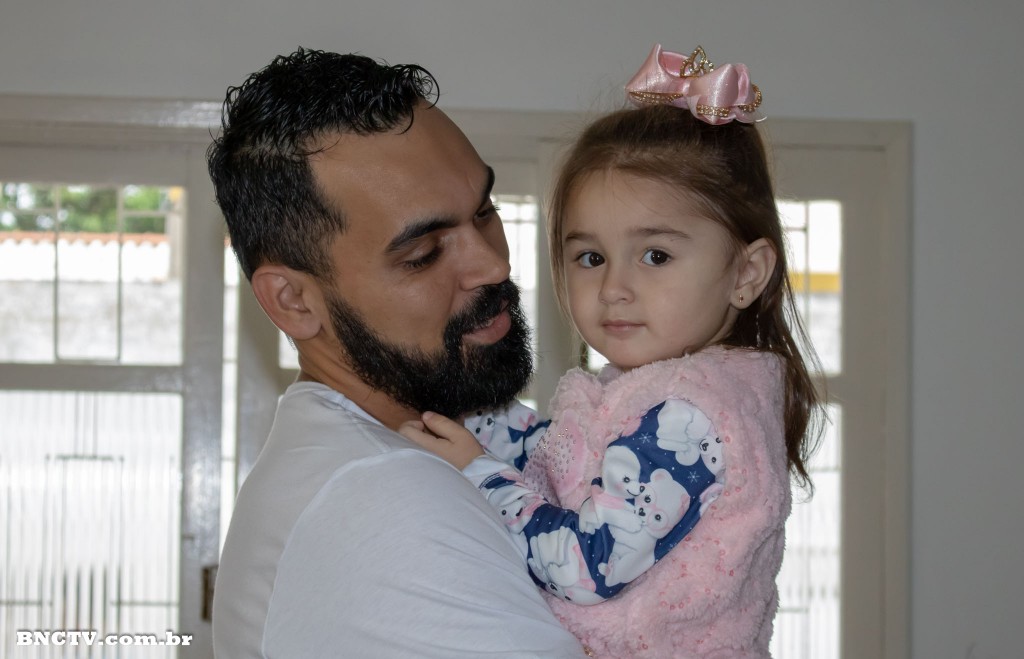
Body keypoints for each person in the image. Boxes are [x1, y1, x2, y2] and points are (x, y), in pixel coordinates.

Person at [399, 44, 824, 658]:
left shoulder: (692, 415)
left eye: (656, 255)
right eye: (591, 257)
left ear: (746, 273)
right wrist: (476, 419)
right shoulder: (651, 390)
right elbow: (568, 459)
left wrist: (478, 471)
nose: (614, 288)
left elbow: (585, 565)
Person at [206, 48, 586, 658]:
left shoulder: (359, 459)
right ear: (294, 301)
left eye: (484, 212)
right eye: (422, 255)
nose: (492, 264)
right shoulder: (388, 499)